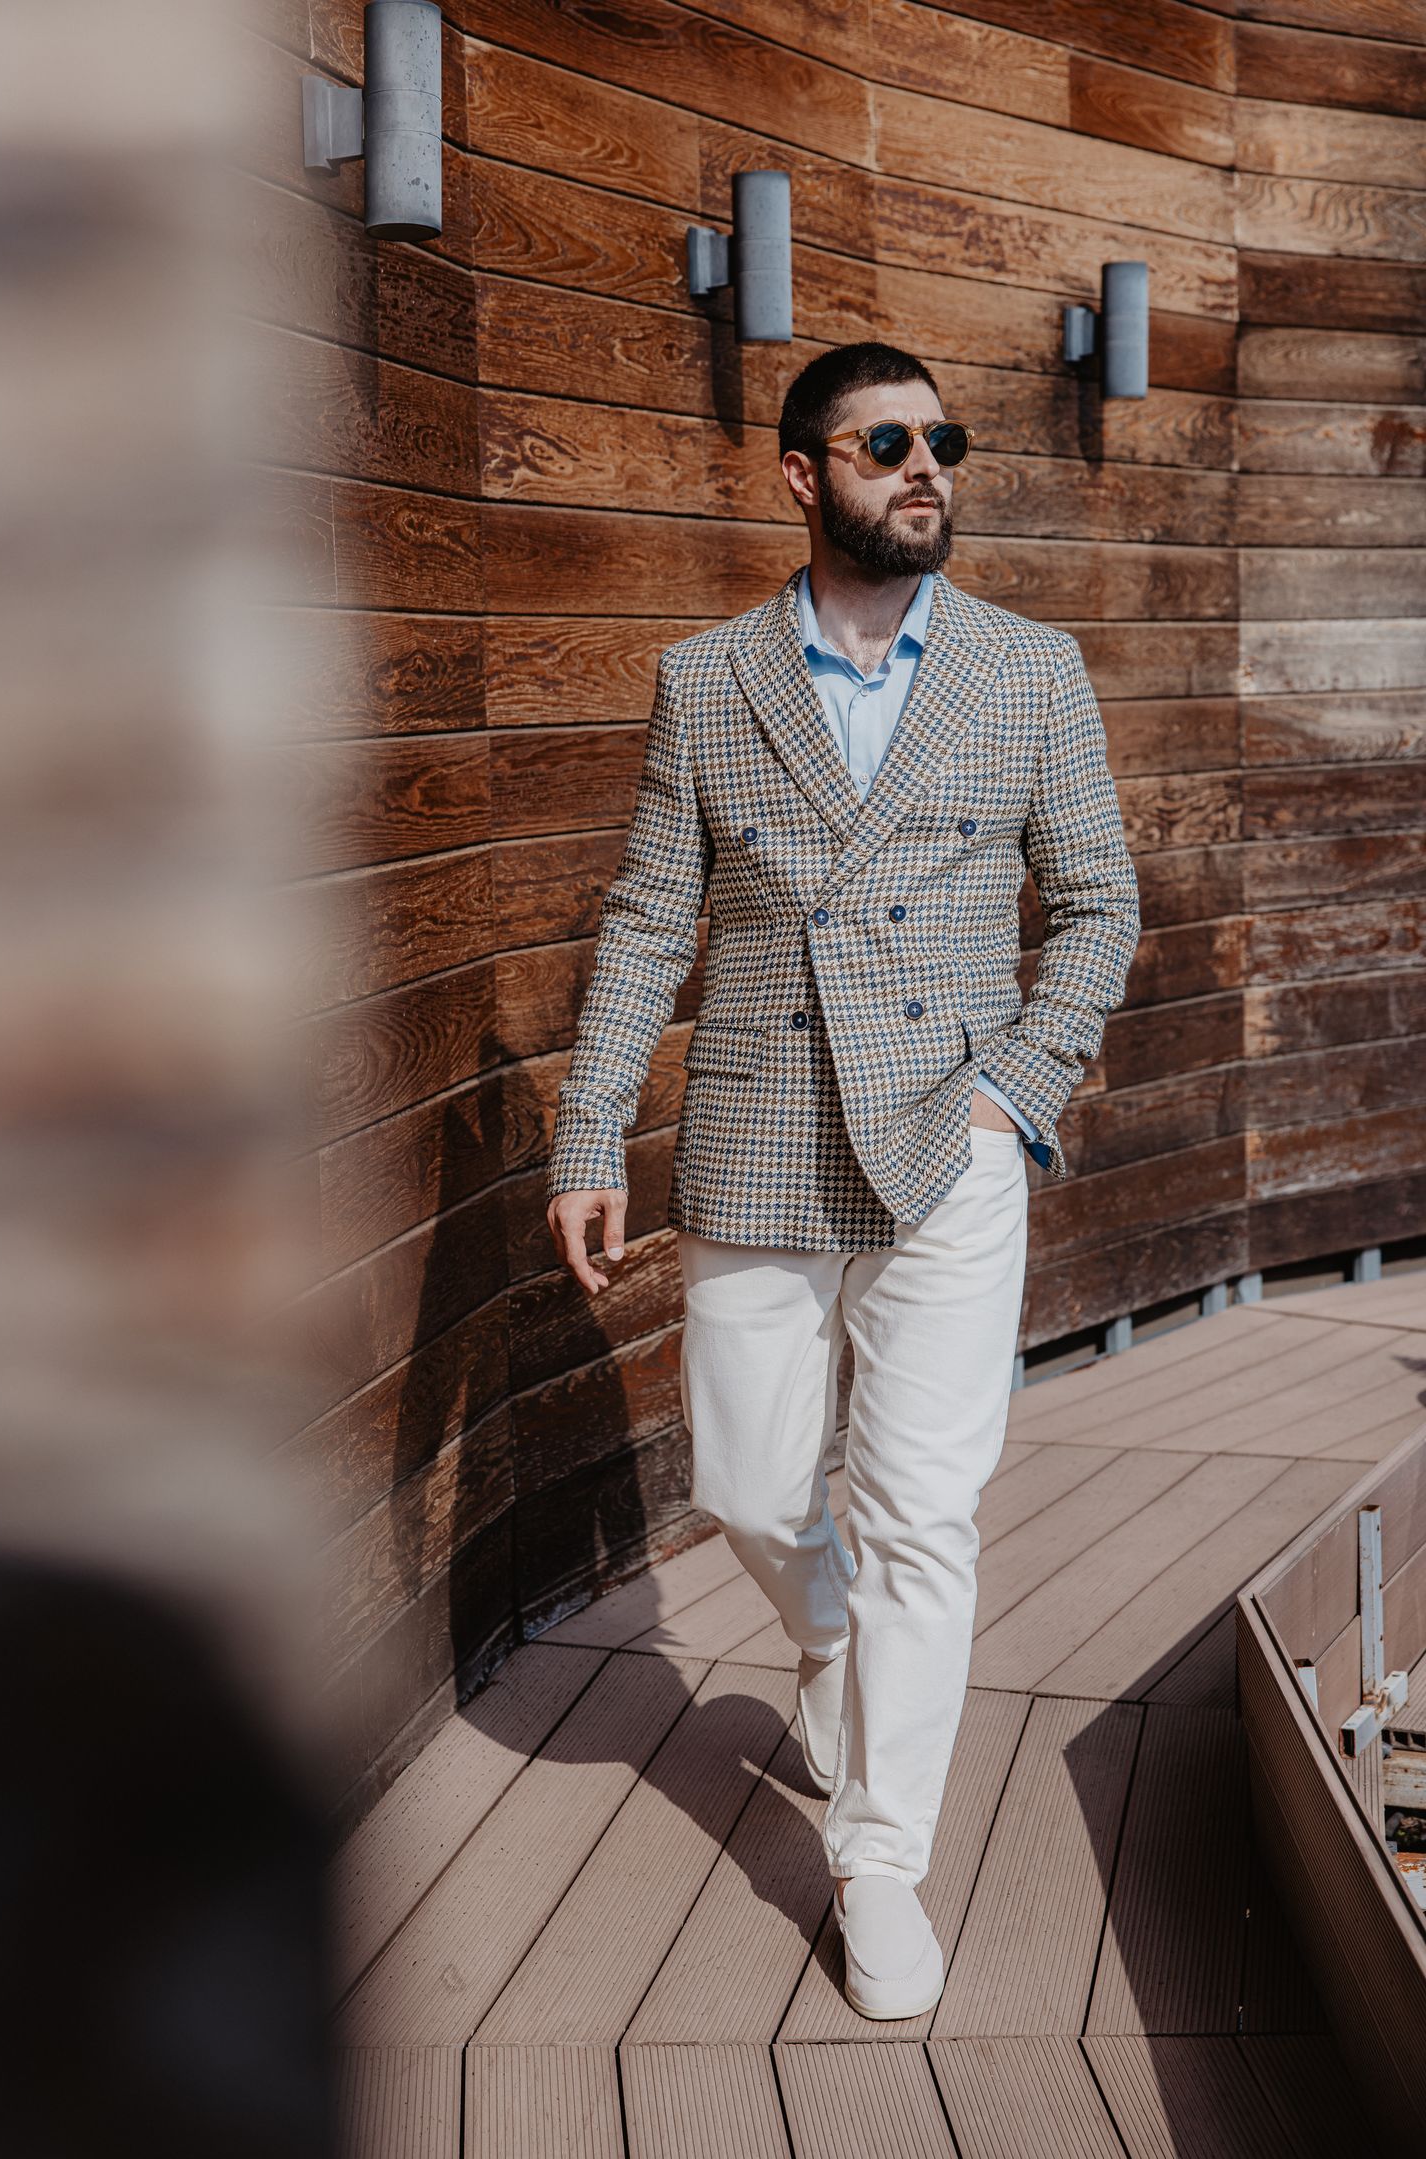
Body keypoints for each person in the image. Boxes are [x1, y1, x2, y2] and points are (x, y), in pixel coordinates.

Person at [545, 340, 1140, 2020]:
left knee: (923, 1519)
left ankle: (881, 1861)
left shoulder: (1027, 670)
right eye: (887, 444)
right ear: (805, 476)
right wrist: (591, 1133)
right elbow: (650, 919)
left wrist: (1014, 1094)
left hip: (952, 1145)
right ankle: (825, 1635)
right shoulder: (708, 679)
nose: (926, 466)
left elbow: (1099, 901)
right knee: (745, 1487)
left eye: (943, 439)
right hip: (760, 1134)